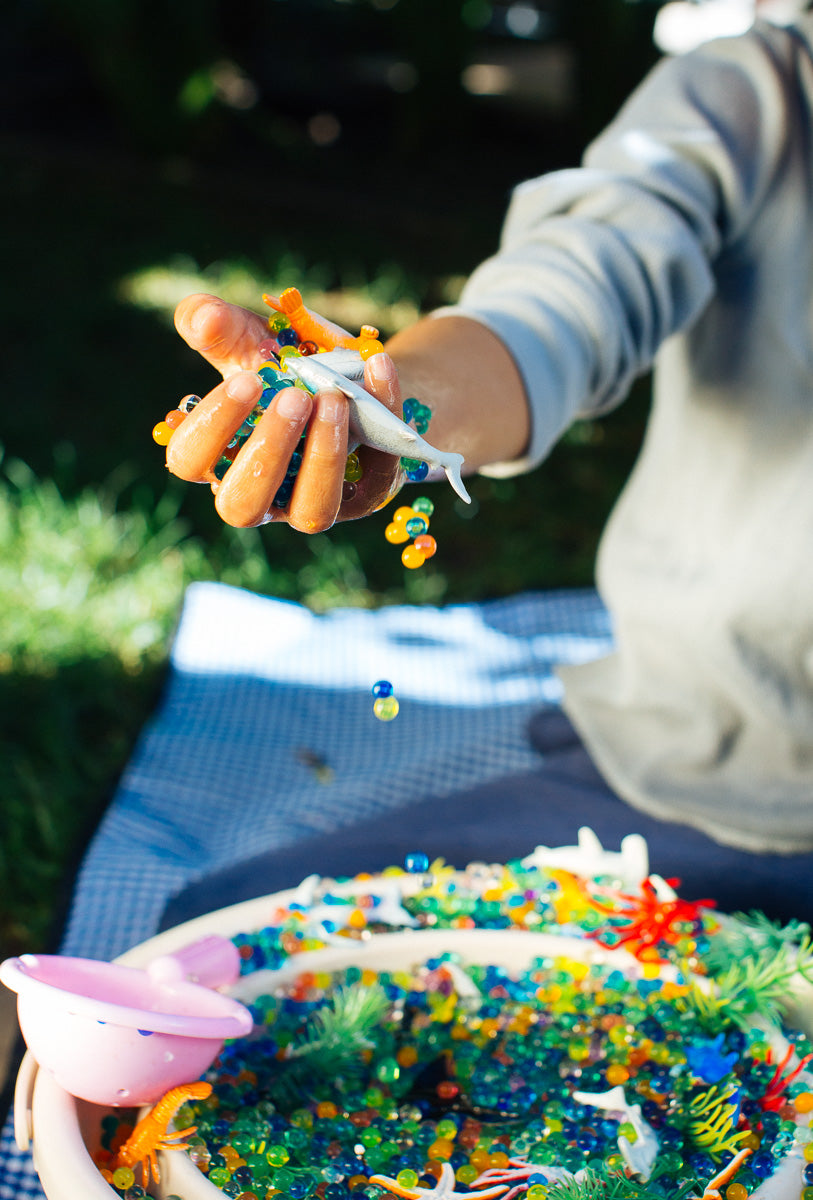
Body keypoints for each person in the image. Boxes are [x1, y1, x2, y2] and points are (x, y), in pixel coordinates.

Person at [167, 14, 813, 900]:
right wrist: (383, 408)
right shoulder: (755, 95)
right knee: (201, 943)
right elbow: (559, 305)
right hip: (720, 772)